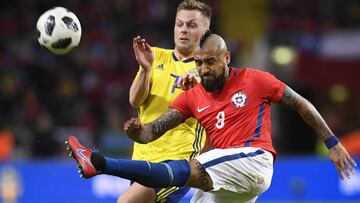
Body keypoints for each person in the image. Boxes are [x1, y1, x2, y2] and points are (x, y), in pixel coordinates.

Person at [66, 32, 357, 203]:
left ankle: (100, 163)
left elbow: (301, 104)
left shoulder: (256, 80)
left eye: (210, 62)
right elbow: (152, 131)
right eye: (199, 63)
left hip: (255, 160)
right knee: (190, 180)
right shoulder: (193, 96)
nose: (204, 69)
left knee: (187, 169)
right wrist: (136, 131)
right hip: (227, 180)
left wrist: (332, 142)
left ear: (226, 58)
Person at [121, 0, 211, 202]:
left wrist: (195, 93)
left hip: (177, 161)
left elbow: (215, 116)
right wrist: (145, 70)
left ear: (205, 31)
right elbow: (135, 101)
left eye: (191, 25)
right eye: (179, 24)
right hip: (143, 159)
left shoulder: (208, 70)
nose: (183, 30)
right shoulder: (155, 56)